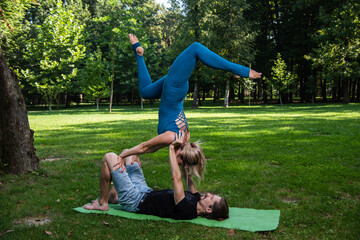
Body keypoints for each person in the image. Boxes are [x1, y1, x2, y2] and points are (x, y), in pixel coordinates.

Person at [118, 34, 262, 180]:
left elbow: (150, 148)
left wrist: (134, 153)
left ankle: (139, 53)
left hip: (173, 91)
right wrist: (123, 155)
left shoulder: (182, 141)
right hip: (175, 87)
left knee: (145, 91)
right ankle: (239, 70)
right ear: (181, 155)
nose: (179, 165)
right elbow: (144, 146)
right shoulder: (173, 137)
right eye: (182, 164)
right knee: (195, 48)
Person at [83, 133, 229, 221]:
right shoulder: (196, 198)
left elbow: (176, 179)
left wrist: (172, 149)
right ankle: (112, 197)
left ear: (209, 210)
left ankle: (102, 203)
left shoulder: (187, 210)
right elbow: (187, 179)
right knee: (129, 154)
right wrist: (186, 159)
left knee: (109, 157)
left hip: (135, 201)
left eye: (211, 198)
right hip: (145, 190)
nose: (208, 194)